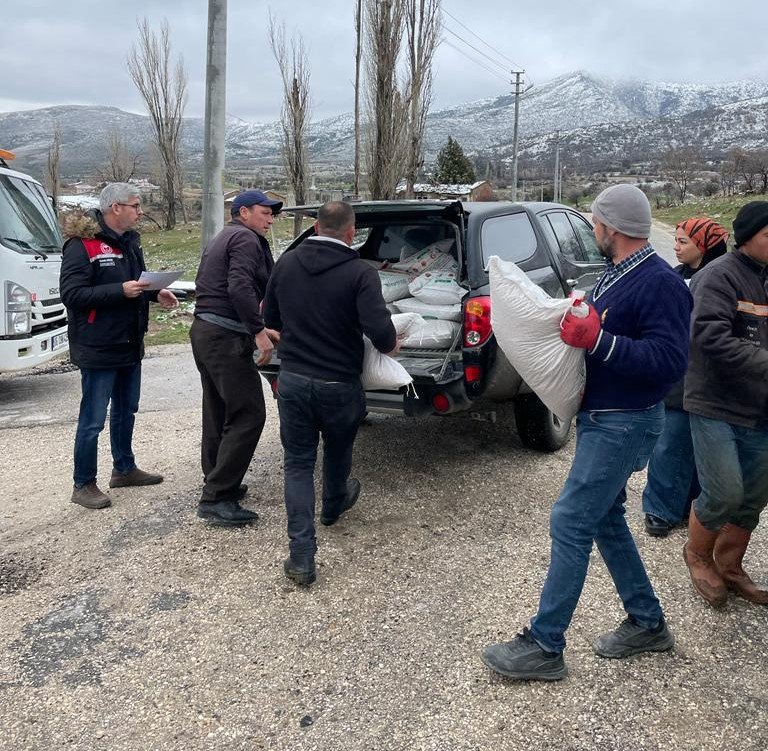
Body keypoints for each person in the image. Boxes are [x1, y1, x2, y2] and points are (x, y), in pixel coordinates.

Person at [481, 184, 691, 681]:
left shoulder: (660, 282)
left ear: (610, 227)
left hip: (625, 420)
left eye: (595, 221)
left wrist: (599, 340)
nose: (593, 229)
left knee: (572, 519)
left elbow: (670, 362)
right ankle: (647, 622)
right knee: (604, 519)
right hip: (605, 417)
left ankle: (545, 645)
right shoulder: (617, 272)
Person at [262, 201, 397, 586]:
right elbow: (381, 335)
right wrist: (392, 345)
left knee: (298, 464)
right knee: (338, 447)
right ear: (352, 233)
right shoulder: (360, 273)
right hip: (339, 384)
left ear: (317, 228)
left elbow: (270, 319)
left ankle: (302, 556)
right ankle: (334, 503)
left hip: (293, 379)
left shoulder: (286, 263)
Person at [60, 182, 178, 510]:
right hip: (98, 345)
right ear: (116, 207)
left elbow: (136, 282)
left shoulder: (130, 241)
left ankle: (124, 469)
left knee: (127, 410)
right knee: (93, 419)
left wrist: (155, 293)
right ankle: (83, 483)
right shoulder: (82, 245)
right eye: (135, 206)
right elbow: (72, 294)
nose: (140, 212)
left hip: (129, 342)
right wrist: (119, 291)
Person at [682, 201, 768, 606]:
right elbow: (709, 337)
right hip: (716, 403)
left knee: (753, 495)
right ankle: (698, 555)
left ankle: (730, 565)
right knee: (724, 491)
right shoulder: (719, 276)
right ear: (748, 237)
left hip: (761, 408)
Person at [190, 190, 282, 526]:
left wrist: (260, 326)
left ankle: (217, 479)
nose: (270, 219)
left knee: (218, 410)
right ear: (243, 212)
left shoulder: (225, 236)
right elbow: (239, 286)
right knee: (249, 414)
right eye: (265, 213)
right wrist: (258, 331)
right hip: (224, 337)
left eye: (272, 214)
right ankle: (217, 497)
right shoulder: (245, 238)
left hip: (206, 331)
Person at [642, 218, 728, 537]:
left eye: (683, 242)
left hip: (712, 377)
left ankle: (691, 509)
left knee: (702, 448)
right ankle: (660, 509)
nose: (676, 247)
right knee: (670, 441)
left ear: (704, 246)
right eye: (675, 241)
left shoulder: (723, 281)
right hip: (678, 375)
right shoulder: (676, 277)